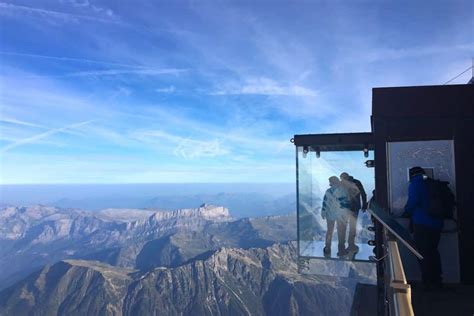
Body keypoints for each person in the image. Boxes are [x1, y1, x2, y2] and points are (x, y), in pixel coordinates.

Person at [403, 166, 443, 289]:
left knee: (422, 253)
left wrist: (405, 212)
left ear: (411, 175)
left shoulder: (416, 183)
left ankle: (428, 282)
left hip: (422, 223)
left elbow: (413, 202)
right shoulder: (432, 183)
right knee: (433, 251)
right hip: (437, 223)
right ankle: (437, 280)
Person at [321, 176, 351, 257]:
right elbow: (346, 204)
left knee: (329, 231)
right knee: (341, 232)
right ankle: (341, 250)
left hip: (330, 215)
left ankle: (327, 248)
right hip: (340, 215)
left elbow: (325, 203)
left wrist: (323, 212)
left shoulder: (328, 191)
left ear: (331, 182)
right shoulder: (343, 191)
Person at [340, 172, 367, 253]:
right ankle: (350, 244)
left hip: (346, 208)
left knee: (344, 226)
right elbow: (363, 194)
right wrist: (364, 205)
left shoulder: (342, 184)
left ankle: (344, 245)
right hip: (354, 207)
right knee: (352, 226)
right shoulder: (356, 182)